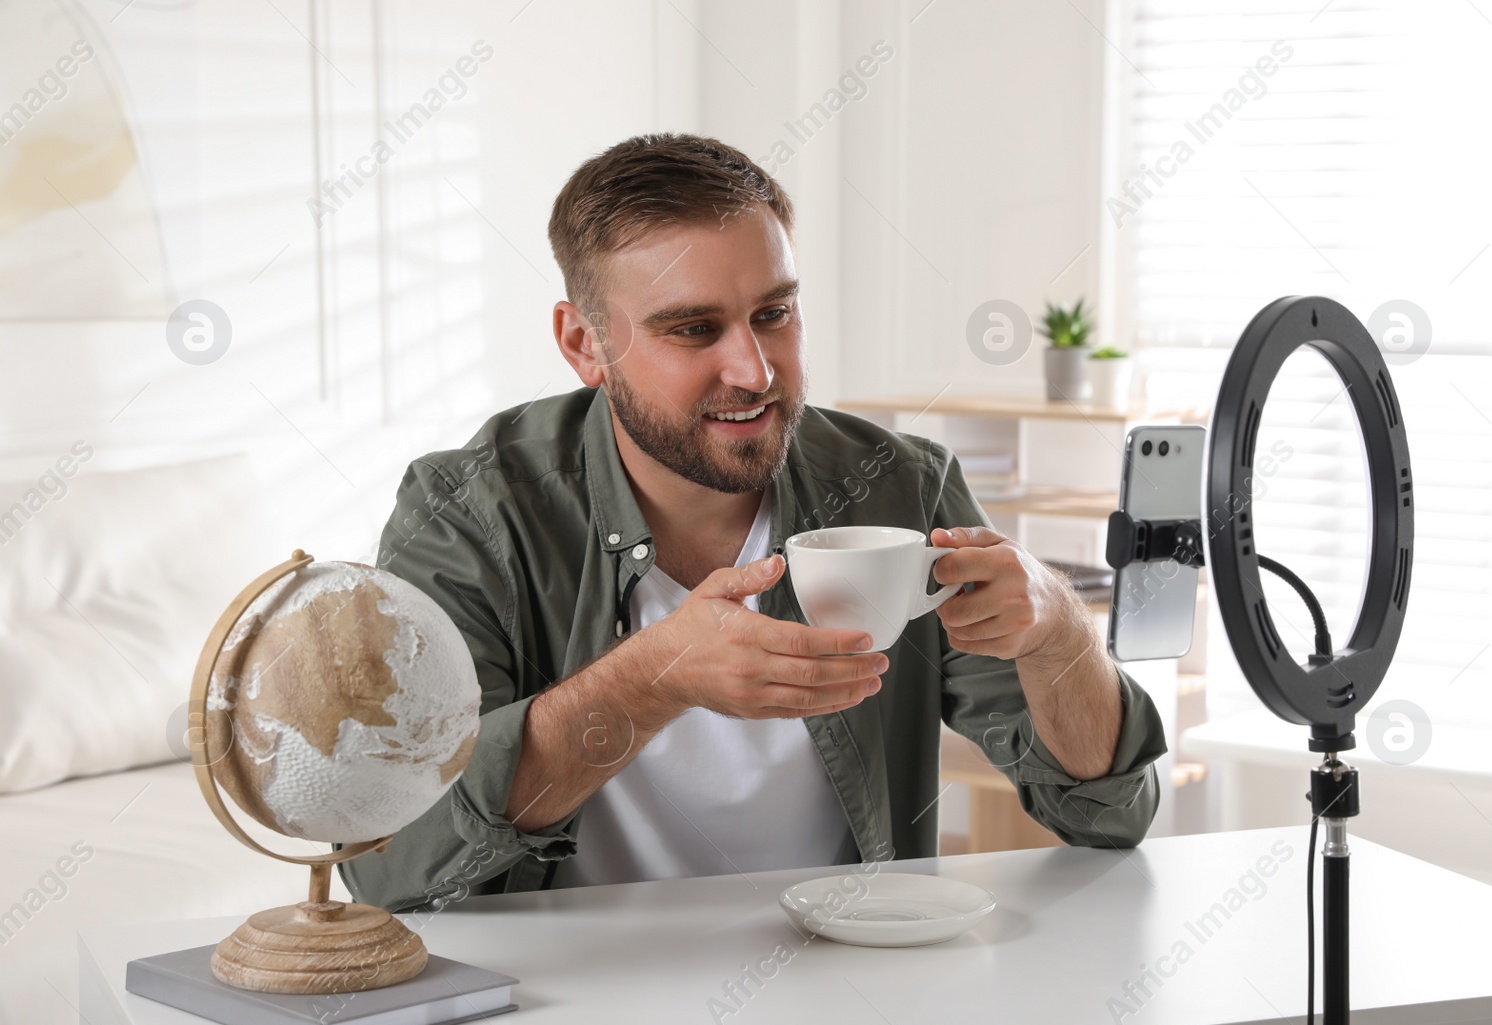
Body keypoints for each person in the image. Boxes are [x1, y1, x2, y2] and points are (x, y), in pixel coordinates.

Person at [340, 133, 1166, 912]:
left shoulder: (899, 486)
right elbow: (390, 863)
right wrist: (650, 681)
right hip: (567, 1012)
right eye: (694, 329)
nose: (755, 370)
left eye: (775, 313)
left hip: (856, 996)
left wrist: (1058, 630)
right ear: (584, 343)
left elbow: (1108, 814)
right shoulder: (470, 515)